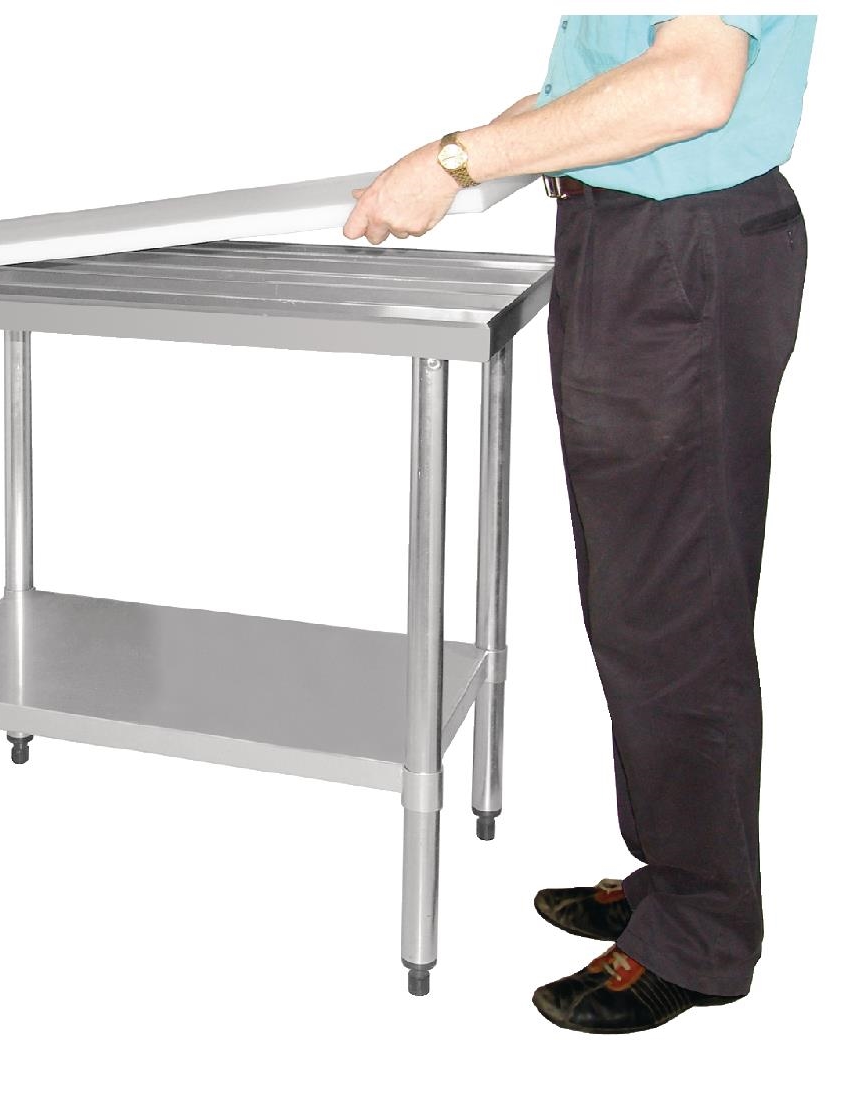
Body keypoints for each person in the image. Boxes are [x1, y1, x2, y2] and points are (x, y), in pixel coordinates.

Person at [343, 14, 816, 1034]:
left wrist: (454, 160)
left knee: (676, 608)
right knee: (637, 601)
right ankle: (675, 875)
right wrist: (448, 161)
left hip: (678, 251)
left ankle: (702, 934)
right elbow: (596, 89)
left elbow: (689, 88)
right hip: (629, 237)